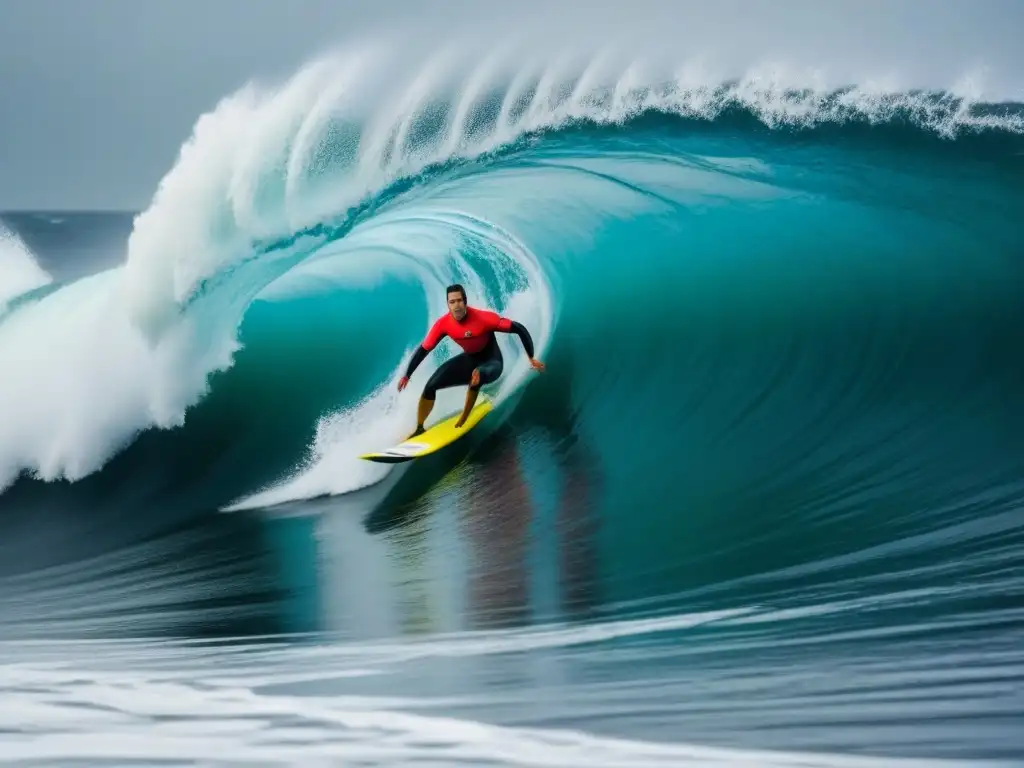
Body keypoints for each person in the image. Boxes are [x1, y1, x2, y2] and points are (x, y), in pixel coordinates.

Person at [397, 283, 545, 436]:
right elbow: (423, 350)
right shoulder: (443, 325)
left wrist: (531, 357)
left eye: (459, 300)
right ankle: (419, 429)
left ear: (465, 301)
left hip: (492, 363)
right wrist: (407, 375)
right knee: (431, 385)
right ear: (447, 304)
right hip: (470, 360)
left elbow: (519, 328)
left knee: (477, 374)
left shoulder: (483, 318)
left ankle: (464, 418)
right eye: (452, 302)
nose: (456, 305)